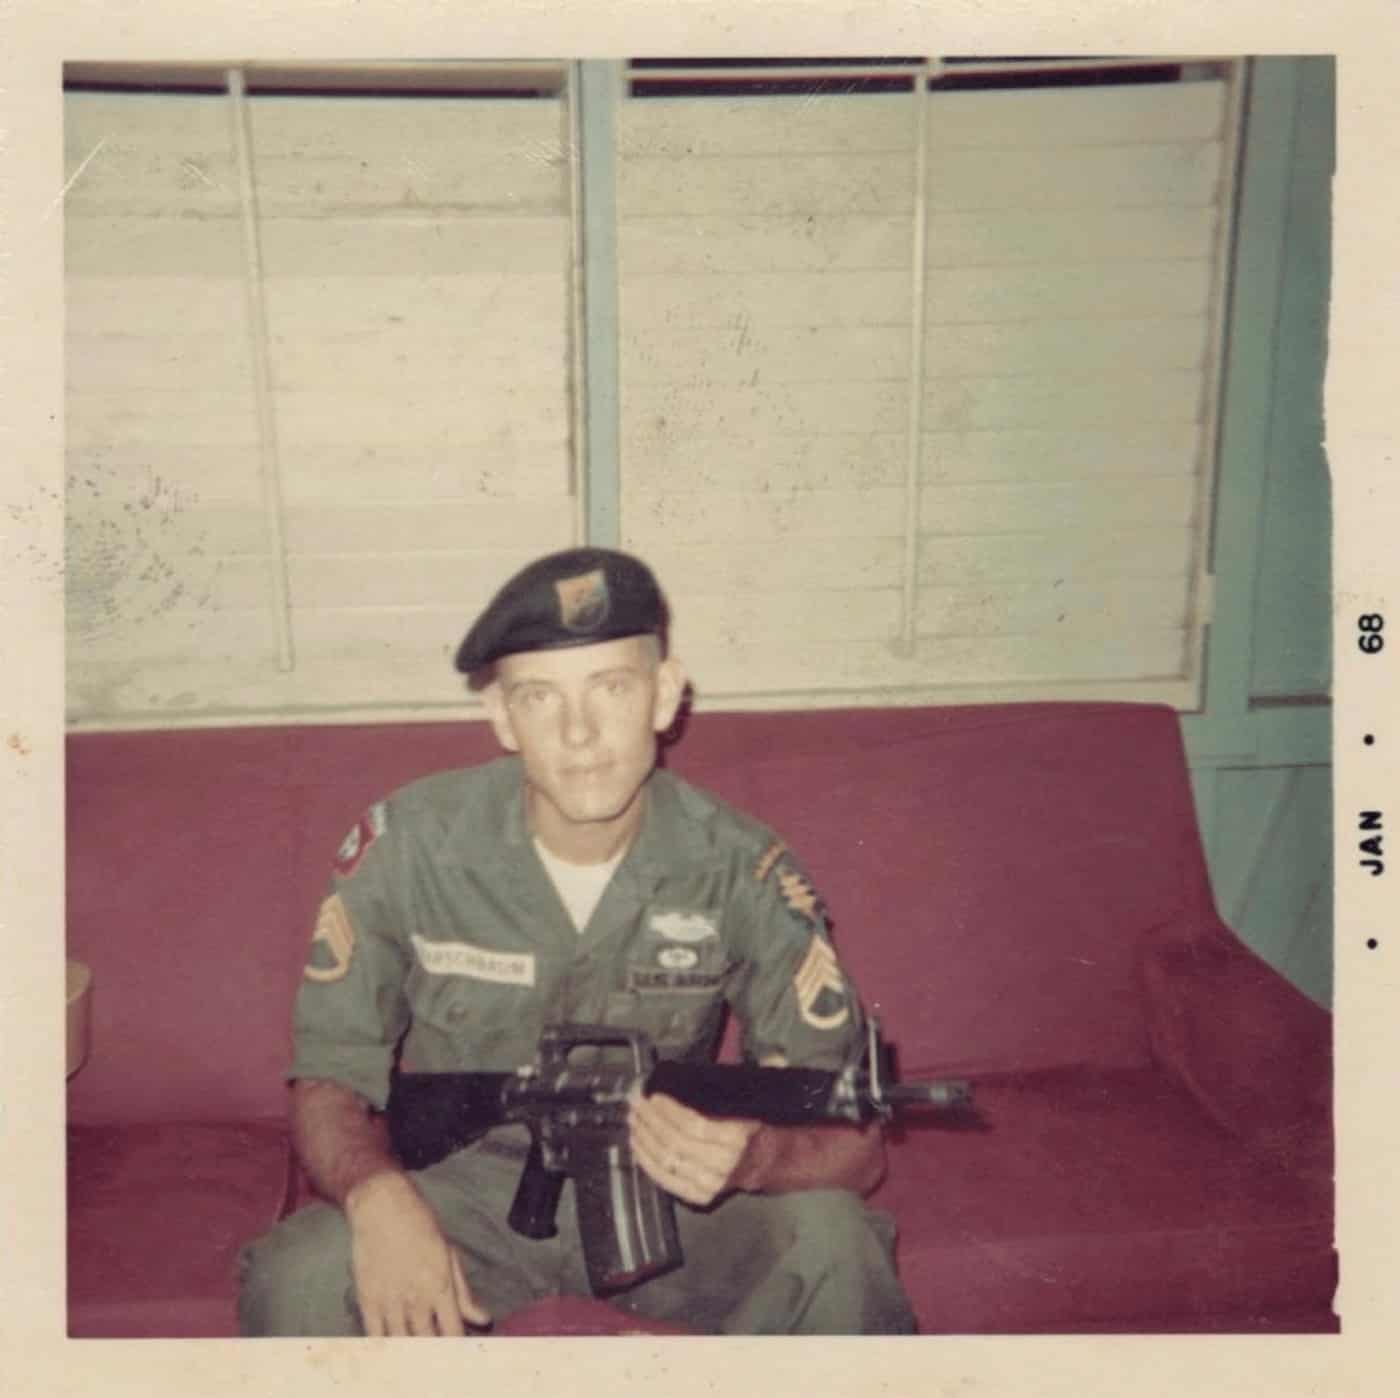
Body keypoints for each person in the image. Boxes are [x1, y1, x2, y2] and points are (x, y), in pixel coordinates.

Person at [236, 547, 916, 1336]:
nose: (580, 733)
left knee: (833, 1240)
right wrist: (377, 1198)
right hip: (463, 1196)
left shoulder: (744, 870)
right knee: (302, 1276)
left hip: (666, 1193)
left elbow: (857, 1148)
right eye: (539, 696)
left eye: (613, 687)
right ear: (500, 717)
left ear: (664, 695)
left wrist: (753, 1159)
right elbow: (328, 1077)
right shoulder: (410, 846)